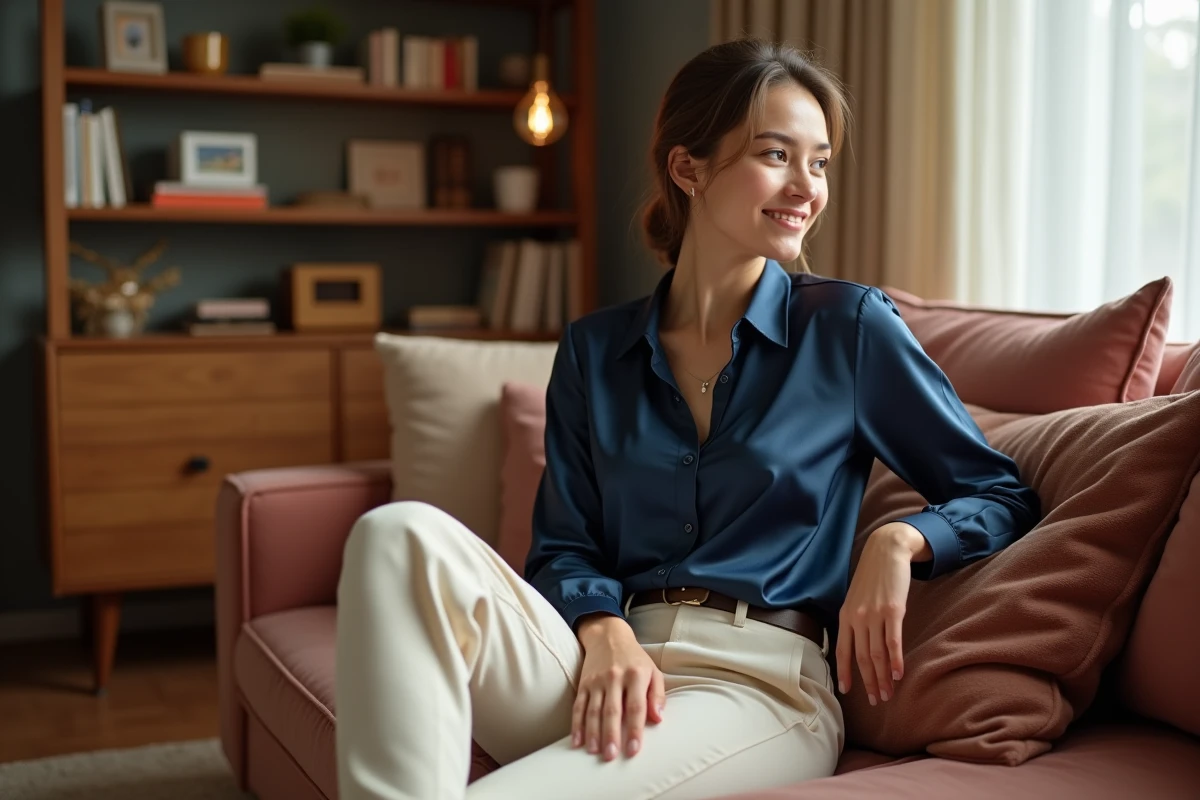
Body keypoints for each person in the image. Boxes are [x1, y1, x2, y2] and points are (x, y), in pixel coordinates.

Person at [335, 37, 1041, 800]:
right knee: (396, 533)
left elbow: (1000, 493)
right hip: (601, 666)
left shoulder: (848, 327)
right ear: (688, 167)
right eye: (777, 155)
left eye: (821, 161)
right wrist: (603, 630)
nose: (806, 186)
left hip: (758, 686)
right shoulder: (595, 350)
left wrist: (900, 540)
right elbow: (565, 547)